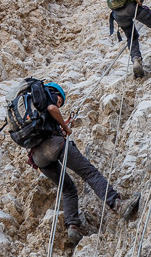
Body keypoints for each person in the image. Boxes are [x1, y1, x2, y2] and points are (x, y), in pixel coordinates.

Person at [22, 80, 140, 246]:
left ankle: (73, 227)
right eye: (61, 101)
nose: (59, 103)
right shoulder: (49, 96)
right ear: (54, 93)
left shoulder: (30, 108)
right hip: (55, 145)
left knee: (68, 188)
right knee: (90, 174)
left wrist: (60, 127)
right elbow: (52, 109)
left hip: (38, 158)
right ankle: (118, 204)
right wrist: (66, 129)